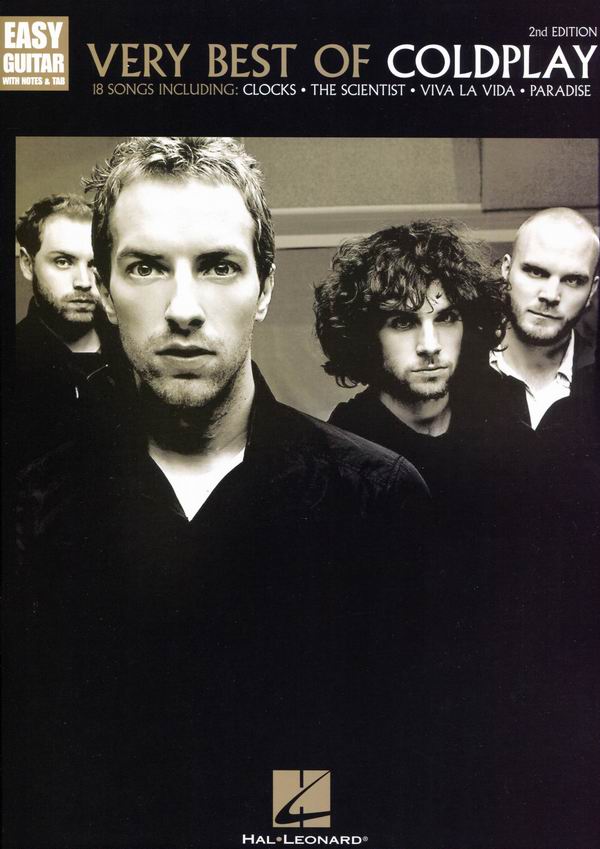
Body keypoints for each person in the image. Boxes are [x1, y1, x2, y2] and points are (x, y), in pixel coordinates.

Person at [9, 138, 431, 849]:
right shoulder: (35, 508)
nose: (183, 308)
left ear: (263, 288)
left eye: (218, 266)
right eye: (146, 267)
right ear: (105, 290)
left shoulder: (373, 499)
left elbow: (393, 768)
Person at [314, 219, 507, 495]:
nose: (430, 346)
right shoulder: (341, 453)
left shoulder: (500, 427)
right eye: (403, 322)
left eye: (446, 318)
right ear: (368, 336)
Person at [14, 194, 114, 465]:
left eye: (94, 264)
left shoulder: (134, 349)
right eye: (63, 261)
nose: (83, 282)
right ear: (27, 264)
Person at [491, 206, 598, 433]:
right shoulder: (457, 370)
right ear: (506, 270)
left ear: (592, 290)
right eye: (536, 272)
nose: (550, 295)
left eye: (573, 280)